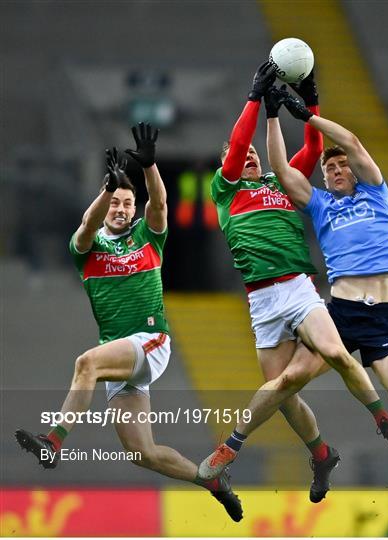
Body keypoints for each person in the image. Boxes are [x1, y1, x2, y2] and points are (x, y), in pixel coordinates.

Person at [197, 63, 388, 503]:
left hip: (298, 287)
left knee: (333, 350)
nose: (248, 155)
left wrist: (307, 103)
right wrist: (254, 99)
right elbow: (235, 147)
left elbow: (312, 143)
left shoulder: (282, 184)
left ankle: (380, 417)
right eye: (241, 155)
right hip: (260, 301)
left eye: (255, 153)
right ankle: (322, 454)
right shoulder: (225, 189)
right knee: (284, 395)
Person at [15, 123, 243, 522]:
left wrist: (150, 166)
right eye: (115, 203)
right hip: (122, 356)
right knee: (142, 454)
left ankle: (52, 443)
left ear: (134, 209)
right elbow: (86, 227)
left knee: (86, 363)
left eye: (126, 203)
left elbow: (160, 203)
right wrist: (107, 189)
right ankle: (211, 480)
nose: (121, 209)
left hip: (149, 341)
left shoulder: (147, 237)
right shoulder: (86, 249)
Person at [261, 85, 388, 516]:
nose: (335, 171)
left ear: (354, 172)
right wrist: (272, 116)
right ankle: (318, 454)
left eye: (341, 167)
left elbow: (352, 142)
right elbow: (279, 167)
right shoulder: (321, 205)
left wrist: (308, 116)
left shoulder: (375, 192)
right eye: (328, 170)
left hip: (384, 320)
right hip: (340, 314)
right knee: (287, 382)